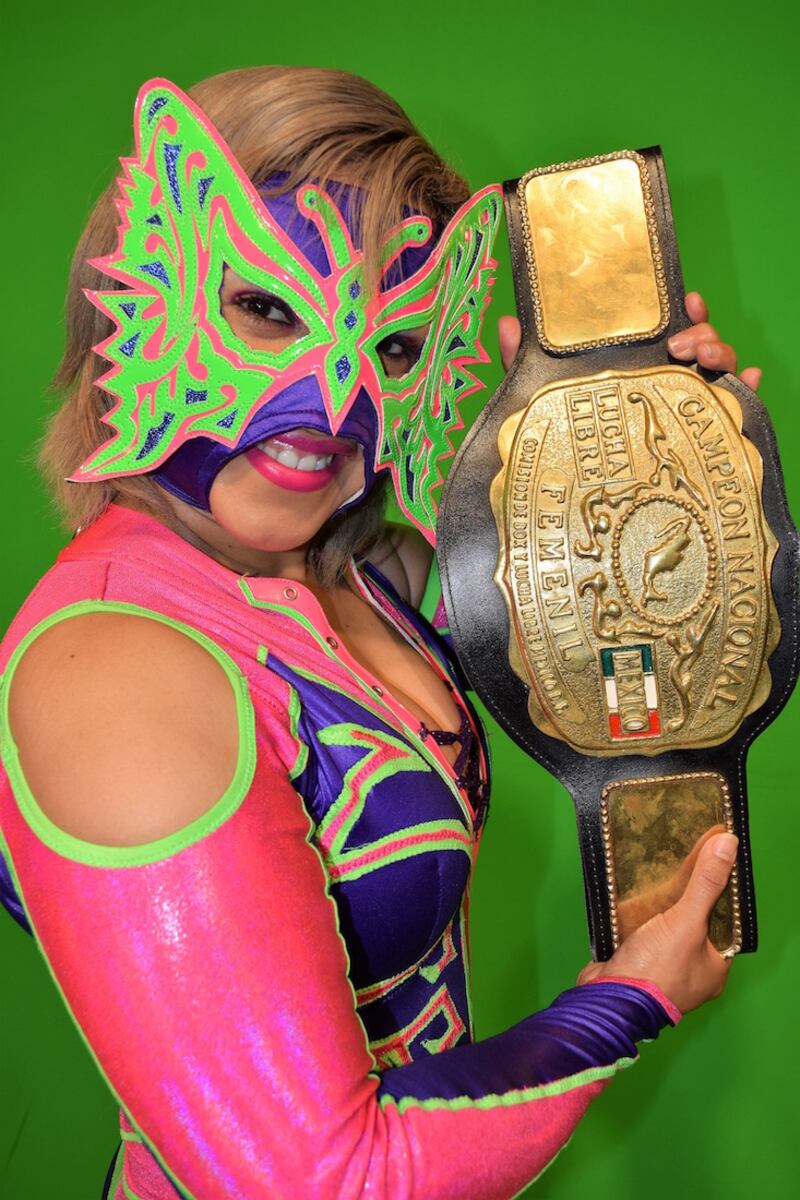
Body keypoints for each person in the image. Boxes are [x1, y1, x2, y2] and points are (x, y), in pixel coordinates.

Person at [0, 67, 757, 1200]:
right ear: (132, 293)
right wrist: (627, 1001)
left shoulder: (362, 568)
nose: (335, 394)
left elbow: (612, 637)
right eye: (268, 309)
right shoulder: (115, 669)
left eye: (392, 344)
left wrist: (650, 446)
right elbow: (317, 1180)